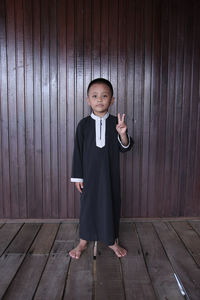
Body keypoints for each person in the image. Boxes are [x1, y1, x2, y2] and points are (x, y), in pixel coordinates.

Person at [69, 78, 133, 259]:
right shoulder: (83, 125)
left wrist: (122, 134)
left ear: (112, 100)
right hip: (88, 176)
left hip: (109, 176)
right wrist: (77, 177)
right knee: (87, 206)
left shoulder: (116, 123)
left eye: (104, 96)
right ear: (88, 100)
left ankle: (111, 240)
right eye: (95, 96)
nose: (99, 100)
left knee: (110, 204)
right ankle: (83, 241)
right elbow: (78, 152)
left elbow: (125, 147)